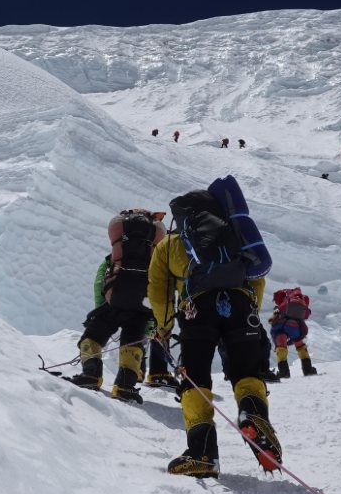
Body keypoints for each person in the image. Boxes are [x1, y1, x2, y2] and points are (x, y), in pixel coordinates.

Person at [149, 191, 280, 477]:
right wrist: (250, 312)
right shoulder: (235, 236)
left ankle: (202, 454)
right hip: (241, 304)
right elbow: (256, 277)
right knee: (247, 374)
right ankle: (253, 415)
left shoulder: (171, 244)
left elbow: (159, 290)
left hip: (196, 309)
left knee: (194, 379)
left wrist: (163, 326)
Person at [73, 209, 164, 403]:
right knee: (133, 344)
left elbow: (100, 280)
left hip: (114, 303)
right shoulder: (155, 260)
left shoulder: (115, 258)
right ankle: (124, 386)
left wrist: (102, 307)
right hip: (142, 307)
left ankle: (91, 375)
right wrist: (152, 323)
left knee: (92, 337)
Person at [267, 288, 318, 379]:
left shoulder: (284, 297)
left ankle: (284, 372)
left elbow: (278, 308)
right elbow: (306, 314)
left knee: (281, 345)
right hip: (296, 327)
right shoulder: (300, 298)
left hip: (282, 325)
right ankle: (308, 369)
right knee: (299, 343)